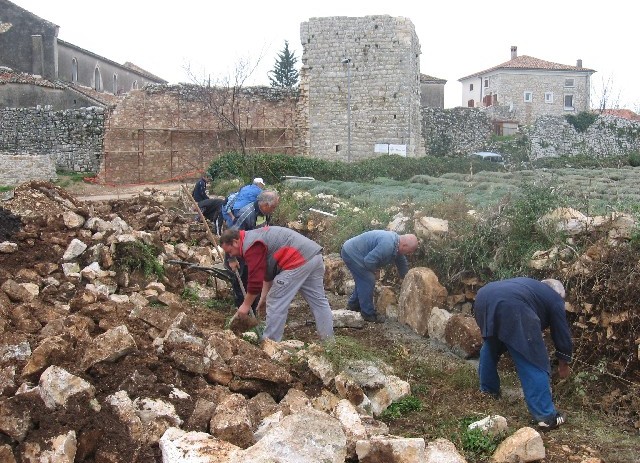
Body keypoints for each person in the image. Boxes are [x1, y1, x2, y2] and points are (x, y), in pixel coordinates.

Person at [473, 277, 572, 431]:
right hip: (511, 306)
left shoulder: (530, 288)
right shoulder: (555, 298)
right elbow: (561, 332)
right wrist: (564, 361)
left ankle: (488, 391)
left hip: (484, 297)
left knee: (492, 345)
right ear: (559, 293)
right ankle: (546, 416)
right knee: (534, 360)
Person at [220, 226, 334, 342]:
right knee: (319, 302)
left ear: (235, 242)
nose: (231, 255)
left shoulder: (251, 246)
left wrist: (245, 306)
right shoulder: (253, 237)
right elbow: (267, 274)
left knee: (275, 300)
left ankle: (270, 343)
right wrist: (263, 298)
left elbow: (255, 282)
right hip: (313, 255)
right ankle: (328, 342)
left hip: (297, 259)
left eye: (230, 252)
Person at [340, 230, 419, 323]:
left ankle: (353, 305)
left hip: (354, 251)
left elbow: (401, 262)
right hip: (352, 253)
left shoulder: (396, 243)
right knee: (368, 280)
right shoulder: (388, 245)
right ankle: (368, 314)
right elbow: (369, 261)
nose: (409, 254)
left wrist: (406, 278)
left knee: (362, 280)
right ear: (404, 246)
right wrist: (375, 271)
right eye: (409, 251)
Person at [226, 190, 280, 312]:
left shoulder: (265, 213)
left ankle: (253, 310)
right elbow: (230, 237)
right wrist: (232, 259)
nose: (274, 210)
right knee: (242, 285)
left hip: (253, 253)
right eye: (273, 207)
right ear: (265, 205)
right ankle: (242, 314)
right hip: (238, 256)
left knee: (255, 282)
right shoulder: (246, 214)